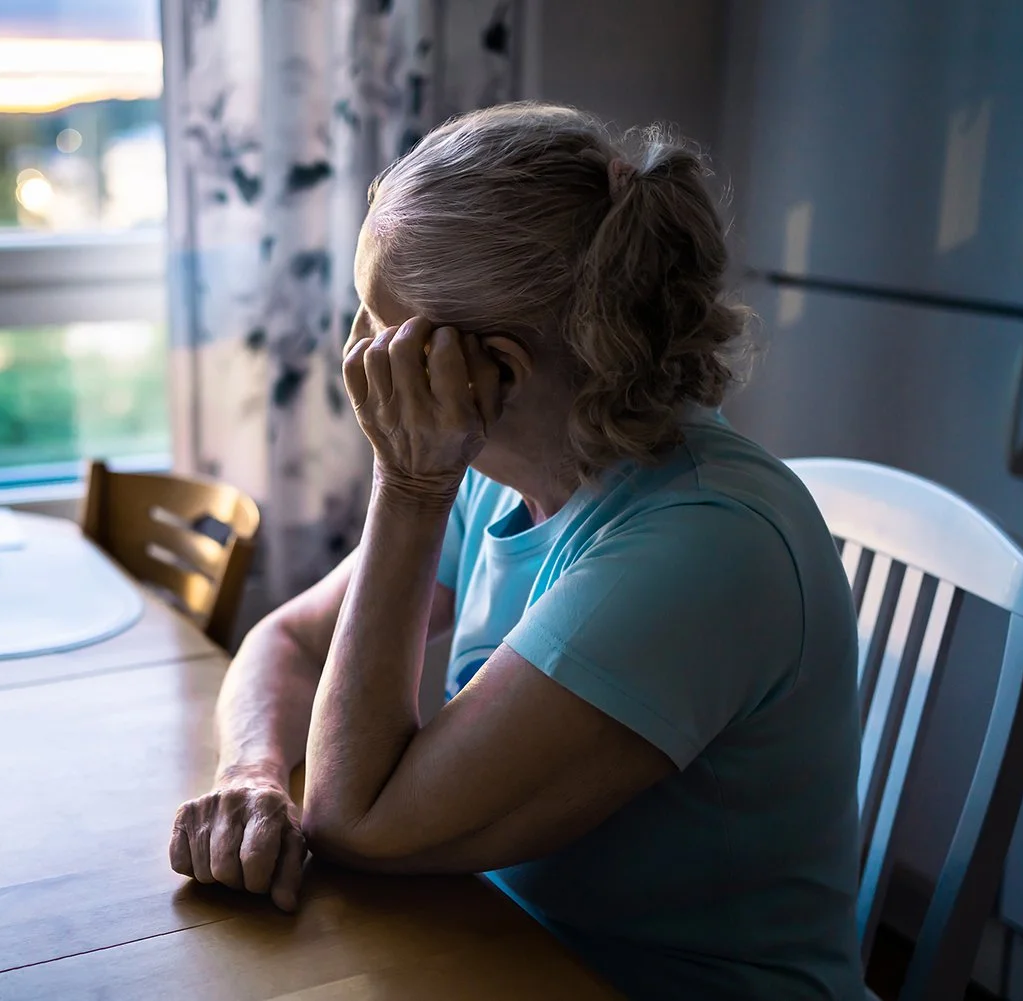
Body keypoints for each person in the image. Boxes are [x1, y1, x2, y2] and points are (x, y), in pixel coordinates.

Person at [168, 103, 862, 1000]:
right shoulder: (512, 470)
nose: (352, 356)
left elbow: (356, 817)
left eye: (378, 324)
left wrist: (408, 488)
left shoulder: (702, 547)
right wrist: (253, 772)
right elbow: (290, 641)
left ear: (496, 366)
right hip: (493, 948)